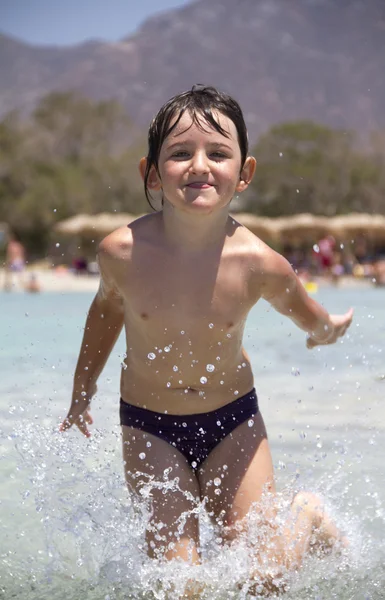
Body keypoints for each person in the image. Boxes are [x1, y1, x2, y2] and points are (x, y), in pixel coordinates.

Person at [60, 85, 353, 595]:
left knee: (264, 582)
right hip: (150, 428)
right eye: (179, 153)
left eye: (217, 153)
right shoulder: (122, 252)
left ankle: (305, 515)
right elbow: (105, 312)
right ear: (151, 172)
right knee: (179, 587)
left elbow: (309, 315)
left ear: (245, 173)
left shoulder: (259, 263)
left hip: (233, 422)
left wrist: (326, 332)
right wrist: (82, 392)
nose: (199, 165)